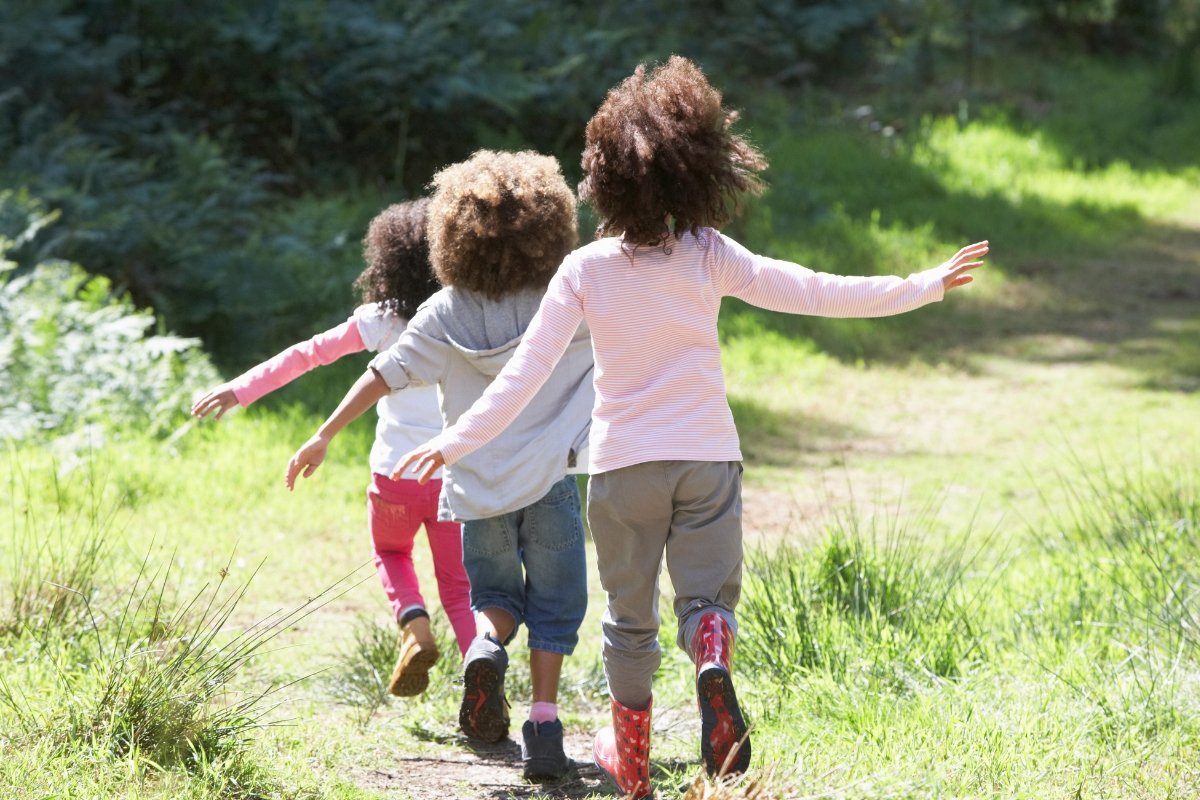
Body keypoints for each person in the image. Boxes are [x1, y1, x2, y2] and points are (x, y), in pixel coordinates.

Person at [392, 57, 988, 798]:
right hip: (707, 458)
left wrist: (456, 441)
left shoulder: (583, 270)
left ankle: (632, 762)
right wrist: (921, 286)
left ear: (602, 175)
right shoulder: (710, 256)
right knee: (706, 599)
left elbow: (523, 376)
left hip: (622, 468)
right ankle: (710, 651)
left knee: (628, 623)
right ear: (698, 169)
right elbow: (813, 290)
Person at [284, 150, 593, 781]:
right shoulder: (561, 299)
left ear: (451, 232)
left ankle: (483, 648)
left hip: (475, 489)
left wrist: (322, 435)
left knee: (496, 598)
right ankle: (543, 728)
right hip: (550, 483)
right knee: (556, 608)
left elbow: (380, 374)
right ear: (549, 225)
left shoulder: (444, 311)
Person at [191, 199, 473, 697]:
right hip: (453, 475)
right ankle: (481, 673)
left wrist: (242, 388)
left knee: (390, 550)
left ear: (389, 262)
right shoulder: (466, 316)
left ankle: (414, 625)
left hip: (395, 477)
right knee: (459, 586)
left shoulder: (383, 320)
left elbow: (309, 354)